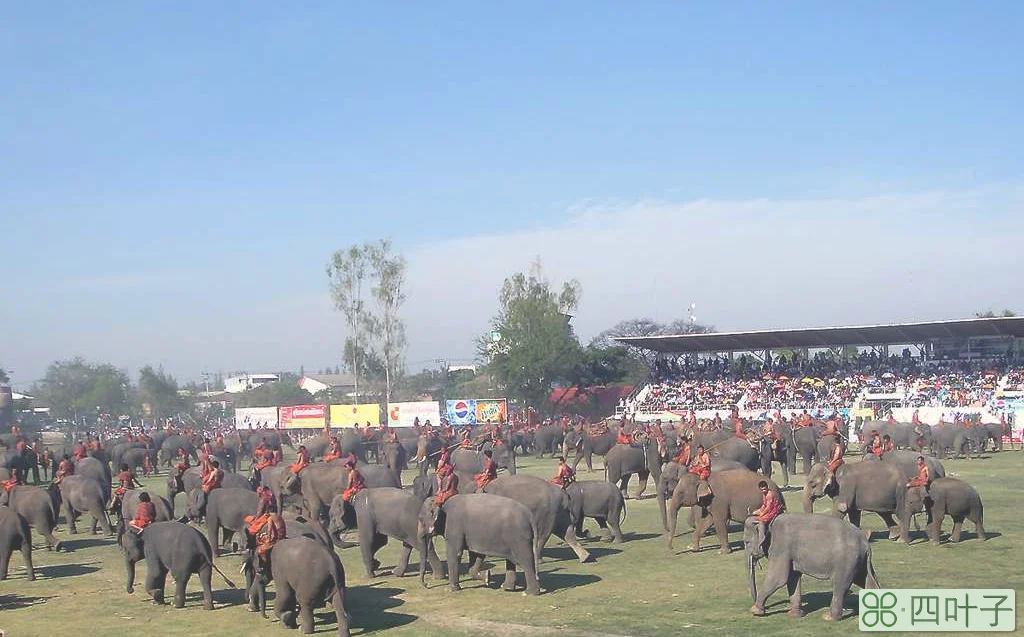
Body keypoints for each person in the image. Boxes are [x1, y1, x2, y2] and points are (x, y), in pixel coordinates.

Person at [750, 480, 783, 557]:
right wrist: (758, 511)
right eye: (762, 490)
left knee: (762, 520)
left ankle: (762, 540)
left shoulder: (769, 494)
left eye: (765, 489)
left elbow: (769, 507)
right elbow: (764, 505)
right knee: (756, 515)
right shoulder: (764, 494)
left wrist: (761, 514)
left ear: (767, 487)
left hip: (774, 510)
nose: (763, 491)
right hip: (768, 509)